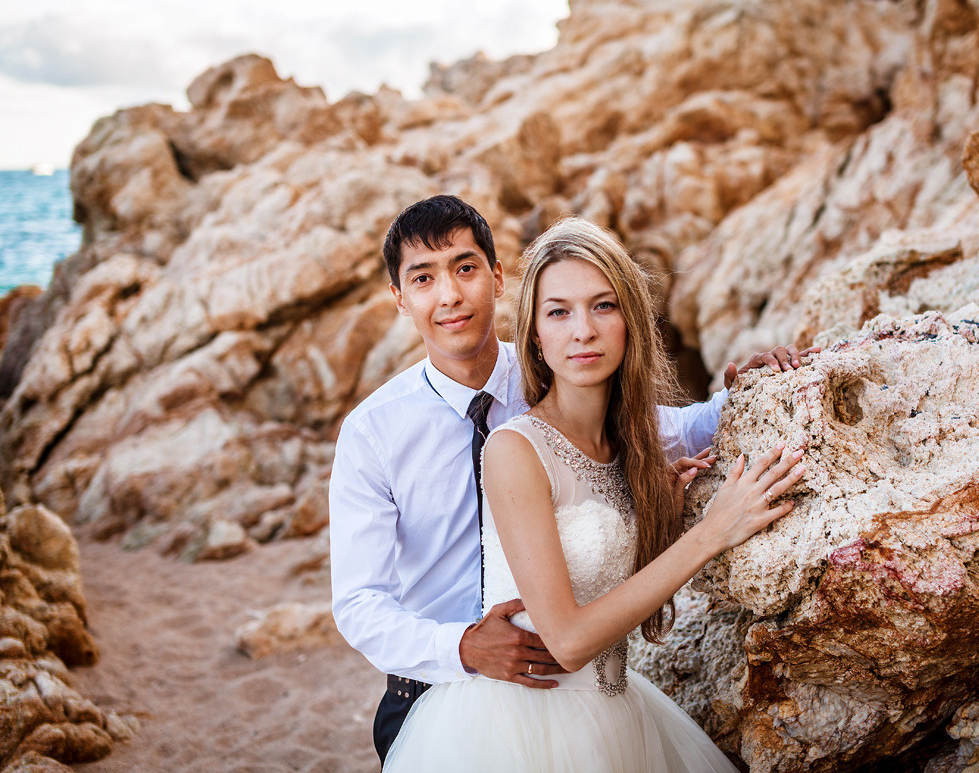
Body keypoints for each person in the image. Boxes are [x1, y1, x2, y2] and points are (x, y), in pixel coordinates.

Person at [329, 195, 812, 766]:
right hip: (435, 693)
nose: (450, 295)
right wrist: (461, 647)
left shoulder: (556, 368)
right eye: (423, 278)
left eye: (465, 268)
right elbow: (360, 602)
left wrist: (747, 392)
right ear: (400, 298)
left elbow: (665, 430)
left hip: (585, 691)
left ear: (498, 277)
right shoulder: (373, 432)